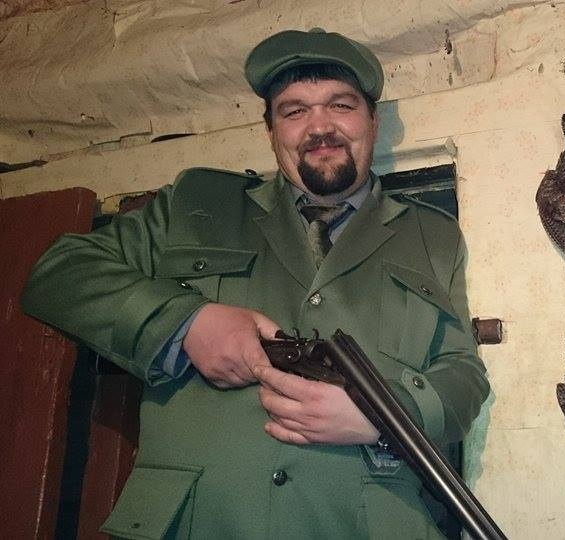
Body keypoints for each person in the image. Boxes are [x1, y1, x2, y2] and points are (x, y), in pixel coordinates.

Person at [21, 28, 490, 539]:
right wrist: (187, 322)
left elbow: (463, 374)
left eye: (341, 105)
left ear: (372, 121)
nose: (320, 127)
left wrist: (384, 416)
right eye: (294, 111)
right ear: (271, 131)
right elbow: (61, 272)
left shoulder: (432, 235)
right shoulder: (198, 203)